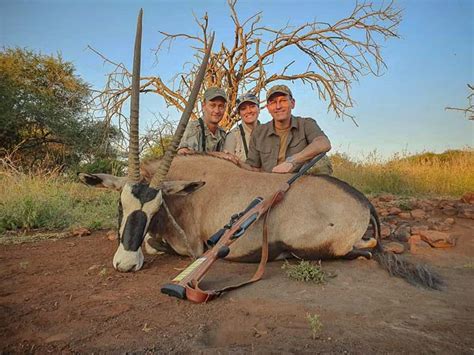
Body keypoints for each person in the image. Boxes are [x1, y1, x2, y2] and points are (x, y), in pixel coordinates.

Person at [244, 84, 333, 174]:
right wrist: (235, 162)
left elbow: (324, 143)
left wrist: (292, 161)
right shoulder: (258, 132)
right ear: (268, 108)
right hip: (270, 183)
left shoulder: (306, 124)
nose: (278, 106)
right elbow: (254, 168)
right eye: (273, 102)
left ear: (292, 103)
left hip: (299, 181)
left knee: (321, 161)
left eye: (283, 101)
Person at [178, 87, 227, 154]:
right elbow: (183, 154)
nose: (217, 111)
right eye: (212, 105)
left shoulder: (223, 134)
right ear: (203, 106)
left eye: (221, 106)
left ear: (225, 108)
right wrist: (217, 155)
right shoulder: (192, 127)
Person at [223, 92, 260, 161]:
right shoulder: (232, 136)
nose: (248, 111)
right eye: (243, 108)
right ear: (239, 113)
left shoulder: (268, 132)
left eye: (252, 106)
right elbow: (227, 166)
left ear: (259, 109)